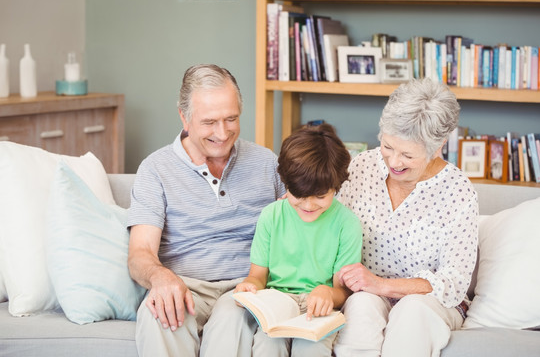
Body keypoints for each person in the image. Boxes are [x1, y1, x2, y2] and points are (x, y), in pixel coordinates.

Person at [127, 64, 286, 357]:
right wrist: (160, 278)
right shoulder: (155, 169)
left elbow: (301, 222)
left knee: (235, 317)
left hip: (248, 286)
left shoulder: (266, 163)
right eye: (209, 122)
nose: (223, 133)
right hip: (186, 287)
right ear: (184, 118)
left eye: (231, 119)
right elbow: (139, 254)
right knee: (157, 316)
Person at [334, 78, 479, 357]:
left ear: (438, 148)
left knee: (412, 310)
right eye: (388, 147)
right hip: (368, 294)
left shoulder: (458, 190)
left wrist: (383, 284)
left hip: (430, 301)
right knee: (361, 306)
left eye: (407, 155)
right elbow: (330, 222)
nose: (394, 162)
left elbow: (454, 280)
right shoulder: (362, 166)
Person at [234, 123, 363, 356]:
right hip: (276, 303)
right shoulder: (271, 215)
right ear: (285, 184)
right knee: (266, 346)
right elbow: (258, 276)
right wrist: (250, 285)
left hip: (319, 308)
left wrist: (327, 292)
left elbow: (342, 292)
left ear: (337, 186)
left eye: (320, 196)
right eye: (299, 195)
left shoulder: (347, 223)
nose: (308, 205)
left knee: (312, 349)